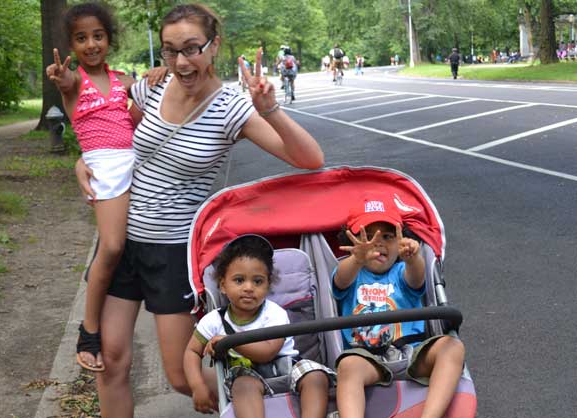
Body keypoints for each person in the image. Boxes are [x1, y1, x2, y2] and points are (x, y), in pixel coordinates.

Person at [74, 4, 324, 417]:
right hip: (122, 242)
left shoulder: (230, 108)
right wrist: (85, 161)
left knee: (180, 376)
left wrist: (269, 110)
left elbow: (309, 158)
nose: (181, 62)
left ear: (214, 46)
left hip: (173, 252)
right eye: (170, 51)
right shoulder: (150, 87)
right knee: (111, 362)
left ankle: (268, 398)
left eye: (191, 48)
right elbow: (113, 138)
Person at [46, 2, 140, 374]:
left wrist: (159, 73)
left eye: (97, 36)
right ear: (71, 45)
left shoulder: (124, 81)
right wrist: (60, 75)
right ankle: (88, 332)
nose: (91, 44)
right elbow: (65, 82)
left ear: (109, 39)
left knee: (129, 245)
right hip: (106, 169)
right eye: (81, 38)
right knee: (112, 245)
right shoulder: (74, 82)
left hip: (138, 164)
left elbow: (146, 108)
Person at [332, 192, 466, 418]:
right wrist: (357, 259)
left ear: (400, 240)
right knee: (348, 367)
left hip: (412, 351)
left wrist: (414, 258)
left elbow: (416, 278)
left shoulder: (402, 272)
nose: (379, 243)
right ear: (352, 243)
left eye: (387, 236)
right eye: (369, 237)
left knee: (452, 346)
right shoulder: (351, 273)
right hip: (367, 357)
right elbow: (340, 281)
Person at [184, 235, 334, 417]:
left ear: (268, 285)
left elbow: (268, 352)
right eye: (239, 280)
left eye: (258, 281)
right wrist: (197, 385)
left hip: (286, 369)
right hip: (248, 378)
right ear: (223, 285)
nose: (248, 288)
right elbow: (192, 352)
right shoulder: (213, 320)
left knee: (316, 375)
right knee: (241, 385)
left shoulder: (274, 313)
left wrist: (230, 342)